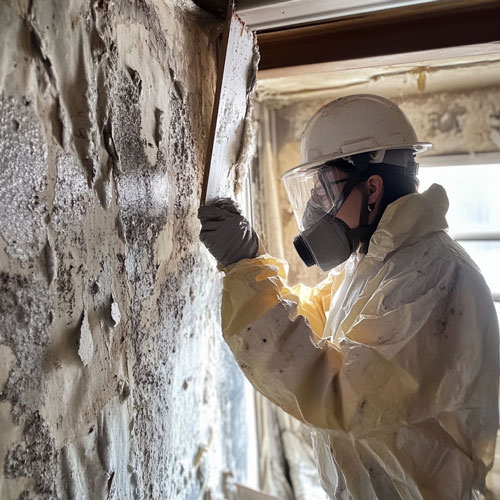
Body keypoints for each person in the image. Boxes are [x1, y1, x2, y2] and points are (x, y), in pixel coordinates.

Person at [198, 94, 499, 499]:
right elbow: (318, 318)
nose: (314, 207)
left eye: (323, 189)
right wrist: (253, 267)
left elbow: (341, 392)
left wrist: (245, 270)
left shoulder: (432, 278)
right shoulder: (377, 264)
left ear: (371, 188)